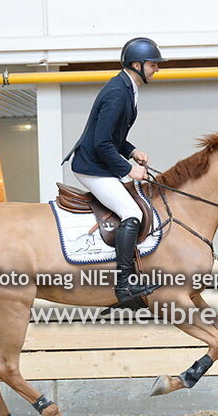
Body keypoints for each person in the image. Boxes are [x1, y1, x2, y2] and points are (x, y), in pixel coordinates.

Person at [63, 37, 166, 304]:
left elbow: (113, 136)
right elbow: (101, 142)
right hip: (91, 167)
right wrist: (128, 169)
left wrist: (132, 151)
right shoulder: (117, 93)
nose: (157, 69)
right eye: (153, 65)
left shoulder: (127, 88)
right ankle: (124, 286)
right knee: (131, 212)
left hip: (101, 163)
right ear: (137, 64)